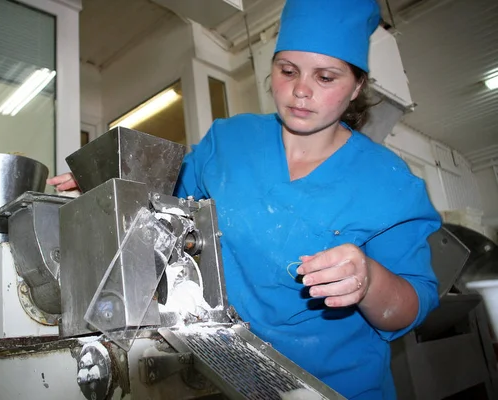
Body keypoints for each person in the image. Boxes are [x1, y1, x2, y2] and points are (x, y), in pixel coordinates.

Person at [48, 0, 441, 398]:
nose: (300, 90)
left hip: (335, 388)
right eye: (287, 71)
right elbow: (157, 198)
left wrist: (369, 280)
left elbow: (407, 307)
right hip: (224, 376)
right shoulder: (230, 142)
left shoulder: (389, 184)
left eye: (325, 77)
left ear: (357, 86)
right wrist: (107, 191)